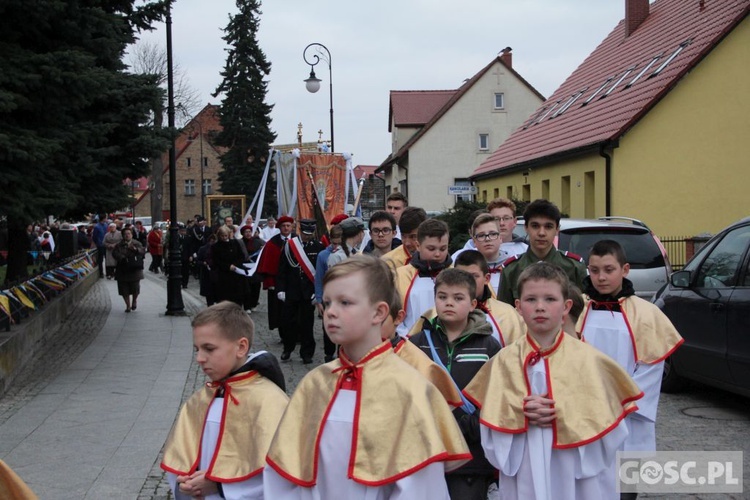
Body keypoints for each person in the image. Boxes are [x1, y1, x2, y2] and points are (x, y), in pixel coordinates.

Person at [264, 255, 471, 498]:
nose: (330, 312)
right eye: (328, 302)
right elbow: (288, 472)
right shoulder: (315, 383)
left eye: (345, 302)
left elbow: (420, 487)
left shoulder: (408, 386)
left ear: (379, 312)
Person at [464, 263, 643, 500]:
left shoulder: (590, 361)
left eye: (550, 299)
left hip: (575, 469)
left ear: (567, 306)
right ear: (518, 307)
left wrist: (566, 410)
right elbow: (489, 424)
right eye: (530, 299)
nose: (540, 307)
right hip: (525, 459)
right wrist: (520, 412)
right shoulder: (503, 362)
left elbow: (612, 430)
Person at [161, 301, 289, 499]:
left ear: (241, 347)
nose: (200, 358)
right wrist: (186, 483)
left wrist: (219, 486)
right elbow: (181, 459)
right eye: (197, 349)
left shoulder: (269, 401)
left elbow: (281, 473)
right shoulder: (199, 400)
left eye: (209, 349)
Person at [577, 240, 683, 473]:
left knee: (624, 475)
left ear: (625, 270)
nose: (601, 277)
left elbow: (651, 368)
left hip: (628, 413)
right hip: (586, 408)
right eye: (594, 271)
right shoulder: (579, 310)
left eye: (609, 270)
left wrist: (622, 401)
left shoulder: (646, 314)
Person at [409, 268, 499, 499]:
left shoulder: (489, 347)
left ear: (473, 304)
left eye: (458, 298)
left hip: (471, 458)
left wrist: (472, 426)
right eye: (442, 297)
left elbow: (498, 396)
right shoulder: (416, 344)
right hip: (425, 451)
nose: (449, 303)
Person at [409, 250, 525, 347]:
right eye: (462, 275)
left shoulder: (507, 314)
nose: (468, 281)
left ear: (487, 278)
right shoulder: (435, 314)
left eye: (474, 276)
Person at [498, 199, 587, 305]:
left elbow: (584, 312)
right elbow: (504, 314)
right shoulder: (511, 269)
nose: (541, 233)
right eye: (535, 226)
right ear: (526, 228)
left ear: (557, 229)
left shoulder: (574, 267)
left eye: (548, 227)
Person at [276, 219, 324, 364]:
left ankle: (307, 353)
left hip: (309, 292)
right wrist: (281, 289)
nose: (307, 236)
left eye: (309, 234)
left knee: (307, 324)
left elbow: (321, 273)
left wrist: (318, 293)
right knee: (288, 322)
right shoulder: (289, 246)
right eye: (304, 233)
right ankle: (288, 349)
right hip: (292, 290)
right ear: (299, 231)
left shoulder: (319, 247)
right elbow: (282, 269)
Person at [395, 218, 452, 336]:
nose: (437, 254)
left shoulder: (457, 274)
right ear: (418, 245)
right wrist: (406, 339)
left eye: (443, 248)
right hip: (409, 343)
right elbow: (393, 316)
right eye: (431, 249)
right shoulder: (399, 276)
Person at [255, 215, 294, 338]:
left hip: (295, 281)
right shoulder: (272, 243)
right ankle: (284, 334)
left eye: (288, 225)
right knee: (280, 311)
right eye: (283, 226)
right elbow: (267, 265)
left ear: (292, 227)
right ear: (279, 228)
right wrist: (270, 283)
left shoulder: (298, 240)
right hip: (278, 282)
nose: (286, 228)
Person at [314, 224, 344, 363]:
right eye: (334, 243)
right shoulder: (323, 255)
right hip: (328, 297)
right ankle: (328, 352)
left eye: (339, 243)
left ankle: (342, 352)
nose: (336, 246)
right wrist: (319, 299)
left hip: (344, 296)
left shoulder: (346, 254)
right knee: (328, 325)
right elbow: (319, 278)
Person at [211, 226, 249, 307]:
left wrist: (235, 265)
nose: (224, 238)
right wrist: (228, 266)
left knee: (238, 297)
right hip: (224, 275)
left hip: (237, 273)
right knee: (225, 298)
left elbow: (241, 256)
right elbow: (216, 261)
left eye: (226, 235)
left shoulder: (235, 243)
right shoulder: (216, 246)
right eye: (222, 236)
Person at [382, 206, 428, 271]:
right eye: (403, 236)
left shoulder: (438, 259)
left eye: (413, 236)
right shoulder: (387, 263)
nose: (407, 243)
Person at [112, 227, 146, 312]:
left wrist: (136, 250)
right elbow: (114, 253)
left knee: (135, 288)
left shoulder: (136, 243)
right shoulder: (119, 245)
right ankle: (127, 305)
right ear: (123, 235)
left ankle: (134, 300)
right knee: (124, 289)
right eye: (125, 234)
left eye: (128, 233)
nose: (127, 235)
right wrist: (122, 258)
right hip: (122, 269)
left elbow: (142, 251)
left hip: (134, 268)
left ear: (131, 234)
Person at [240, 224, 263, 312]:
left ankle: (254, 303)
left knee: (256, 287)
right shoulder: (240, 242)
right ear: (243, 233)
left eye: (249, 232)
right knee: (246, 287)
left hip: (256, 268)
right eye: (246, 232)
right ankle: (247, 306)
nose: (248, 234)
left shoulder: (258, 241)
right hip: (245, 267)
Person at [196, 234, 218, 307]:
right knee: (209, 294)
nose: (213, 243)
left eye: (214, 241)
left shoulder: (218, 248)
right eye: (211, 241)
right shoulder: (203, 249)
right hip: (207, 275)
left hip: (216, 274)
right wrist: (203, 263)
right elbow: (198, 261)